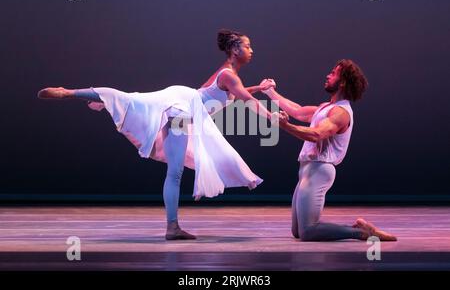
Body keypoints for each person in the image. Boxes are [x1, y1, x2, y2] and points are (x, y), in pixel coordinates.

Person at [38, 29, 275, 240]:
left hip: (182, 106)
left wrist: (259, 88)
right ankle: (71, 93)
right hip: (183, 109)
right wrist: (272, 117)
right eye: (247, 46)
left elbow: (231, 94)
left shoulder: (227, 76)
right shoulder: (229, 75)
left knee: (134, 102)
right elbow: (246, 100)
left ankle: (74, 93)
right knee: (172, 166)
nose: (251, 50)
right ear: (235, 50)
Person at [261, 59, 397, 241]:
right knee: (298, 232)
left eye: (333, 73)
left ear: (342, 82)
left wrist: (285, 126)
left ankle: (362, 232)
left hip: (319, 170)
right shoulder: (326, 107)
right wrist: (270, 92)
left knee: (308, 231)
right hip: (307, 170)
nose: (327, 75)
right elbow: (297, 110)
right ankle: (360, 230)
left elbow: (316, 134)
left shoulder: (341, 113)